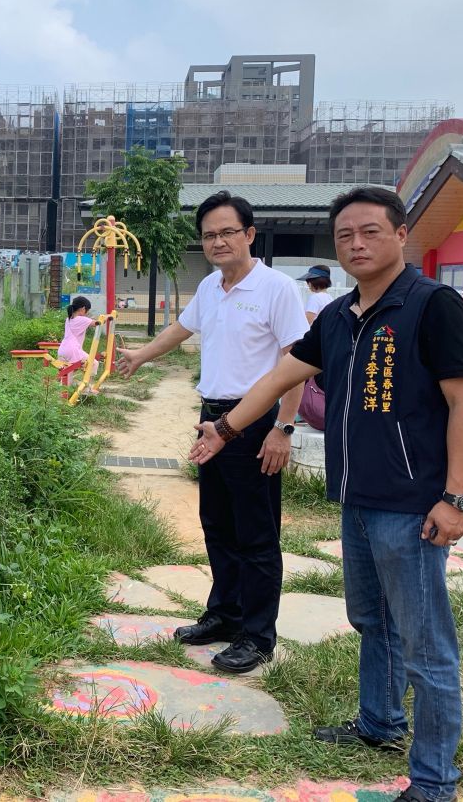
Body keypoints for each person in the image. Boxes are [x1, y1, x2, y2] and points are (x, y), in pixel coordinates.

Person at [188, 186, 463, 802]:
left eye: (371, 231)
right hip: (356, 499)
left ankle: (434, 781)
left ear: (402, 235)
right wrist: (224, 428)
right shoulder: (340, 318)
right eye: (345, 235)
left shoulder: (433, 306)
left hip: (413, 506)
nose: (356, 243)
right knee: (370, 620)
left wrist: (457, 498)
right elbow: (280, 376)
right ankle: (379, 722)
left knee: (427, 648)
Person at [117, 190, 307, 673]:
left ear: (249, 235)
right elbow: (181, 330)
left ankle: (258, 635)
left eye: (227, 232)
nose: (218, 242)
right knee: (218, 525)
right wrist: (140, 356)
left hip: (256, 421)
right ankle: (224, 615)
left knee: (257, 535)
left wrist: (283, 428)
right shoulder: (209, 287)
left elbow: (298, 363)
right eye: (209, 235)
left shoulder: (277, 289)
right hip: (211, 419)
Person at [295, 265, 333, 428]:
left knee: (301, 382)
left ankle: (299, 415)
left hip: (313, 347)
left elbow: (308, 322)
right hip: (327, 347)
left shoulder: (315, 298)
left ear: (312, 282)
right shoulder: (330, 298)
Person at [58, 295, 96, 364]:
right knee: (93, 363)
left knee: (67, 372)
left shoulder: (68, 319)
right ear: (83, 308)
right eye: (87, 311)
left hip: (62, 350)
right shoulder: (82, 319)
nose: (86, 313)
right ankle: (90, 375)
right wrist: (107, 317)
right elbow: (97, 323)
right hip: (72, 351)